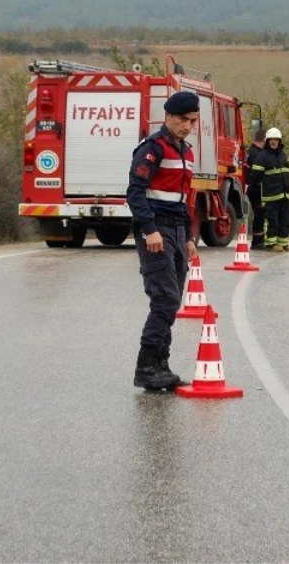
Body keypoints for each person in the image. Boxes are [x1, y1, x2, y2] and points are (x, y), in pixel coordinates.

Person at [127, 90, 200, 391]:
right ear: (168, 116)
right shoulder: (152, 149)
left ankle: (161, 365)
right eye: (183, 120)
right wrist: (149, 230)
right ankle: (146, 367)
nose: (187, 126)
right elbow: (134, 192)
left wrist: (190, 238)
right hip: (156, 230)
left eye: (193, 121)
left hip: (178, 230)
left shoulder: (187, 152)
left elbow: (184, 200)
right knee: (165, 298)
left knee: (173, 299)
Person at [249, 127, 289, 252]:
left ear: (279, 141)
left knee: (286, 219)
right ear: (268, 141)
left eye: (276, 139)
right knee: (272, 220)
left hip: (284, 195)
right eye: (271, 139)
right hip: (271, 196)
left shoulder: (283, 155)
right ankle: (271, 244)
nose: (274, 142)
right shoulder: (263, 156)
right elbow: (254, 176)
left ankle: (283, 243)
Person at [244, 127, 267, 250]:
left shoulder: (251, 152)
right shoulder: (256, 153)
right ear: (263, 139)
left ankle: (259, 241)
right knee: (260, 214)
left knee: (259, 214)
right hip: (256, 188)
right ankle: (257, 242)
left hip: (253, 188)